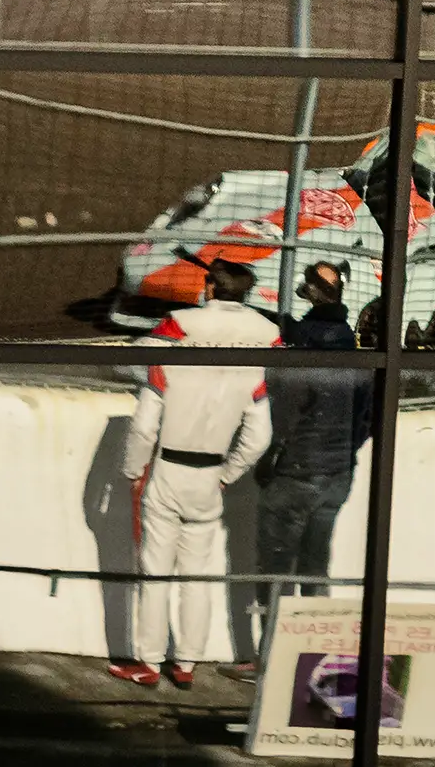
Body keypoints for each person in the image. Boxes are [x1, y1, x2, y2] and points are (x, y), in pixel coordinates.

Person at [110, 255, 276, 690]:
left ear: (209, 289)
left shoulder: (178, 329)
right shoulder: (265, 338)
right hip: (210, 476)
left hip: (168, 468)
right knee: (198, 574)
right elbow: (259, 436)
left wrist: (132, 469)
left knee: (156, 572)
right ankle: (187, 662)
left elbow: (144, 423)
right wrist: (227, 474)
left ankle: (147, 661)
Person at [256, 260, 374, 600]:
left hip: (298, 470)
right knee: (315, 564)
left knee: (275, 568)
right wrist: (345, 451)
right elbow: (366, 418)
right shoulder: (349, 344)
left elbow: (287, 409)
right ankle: (311, 648)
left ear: (310, 293)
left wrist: (274, 455)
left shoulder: (304, 342)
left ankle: (275, 649)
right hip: (339, 473)